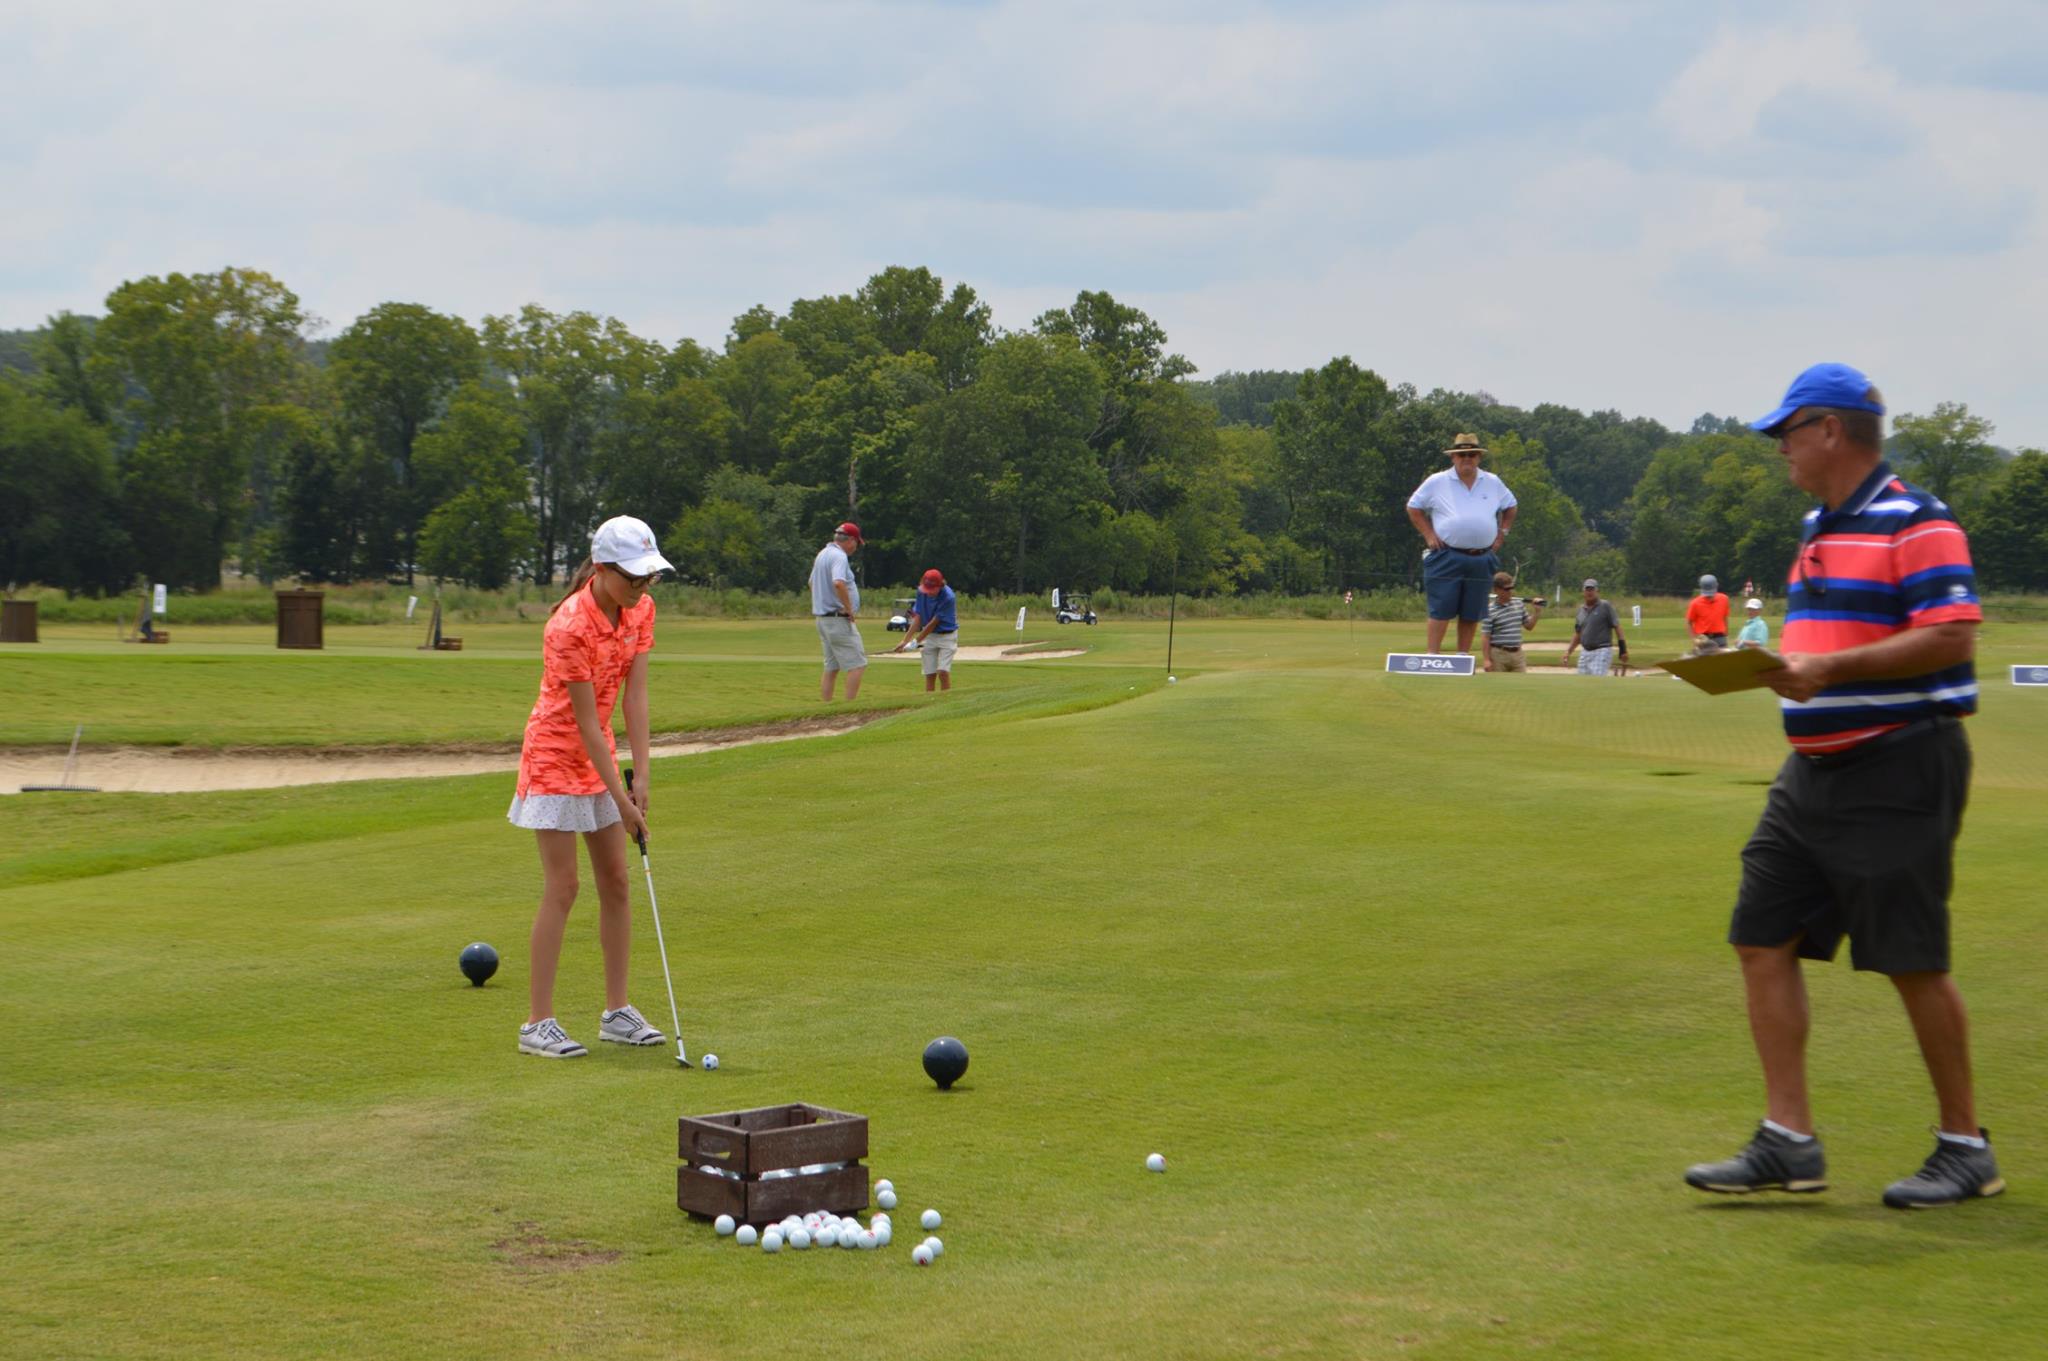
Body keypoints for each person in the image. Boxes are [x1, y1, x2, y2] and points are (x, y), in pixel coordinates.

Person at [1684, 362, 2001, 1209]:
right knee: (1762, 934)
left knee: (1910, 957)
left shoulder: (1918, 519)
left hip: (1900, 760)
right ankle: (1788, 1139)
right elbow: (1828, 634)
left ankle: (1965, 1146)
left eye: (1788, 432)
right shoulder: (1815, 524)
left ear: (1830, 429)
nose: (1779, 448)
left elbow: (1953, 635)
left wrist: (1827, 670)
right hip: (1811, 771)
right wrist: (1785, 667)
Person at [507, 515, 672, 1059]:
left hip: (598, 754)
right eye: (633, 577)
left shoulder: (641, 610)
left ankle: (617, 1012)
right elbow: (582, 724)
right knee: (564, 886)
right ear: (601, 569)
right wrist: (621, 801)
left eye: (648, 577)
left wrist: (642, 773)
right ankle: (538, 1023)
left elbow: (635, 697)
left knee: (617, 881)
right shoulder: (568, 626)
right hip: (554, 758)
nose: (641, 587)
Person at [1406, 434, 1518, 655]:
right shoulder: (1437, 481)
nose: (1467, 458)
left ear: (1478, 457)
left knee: (1471, 610)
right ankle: (1433, 656)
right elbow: (1413, 507)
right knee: (1441, 608)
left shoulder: (1492, 481)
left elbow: (1511, 506)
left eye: (1472, 454)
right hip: (1446, 554)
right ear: (1453, 457)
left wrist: (1502, 534)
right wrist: (1429, 535)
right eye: (1462, 454)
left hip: (1482, 556)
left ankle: (1462, 656)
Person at [811, 522, 867, 701]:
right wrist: (849, 609)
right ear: (850, 540)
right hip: (837, 618)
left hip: (823, 620)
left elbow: (811, 583)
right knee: (857, 665)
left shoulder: (822, 554)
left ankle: (827, 707)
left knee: (831, 667)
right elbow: (838, 583)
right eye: (856, 543)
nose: (855, 548)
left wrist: (823, 599)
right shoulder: (839, 556)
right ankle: (849, 707)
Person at [896, 568, 958, 692]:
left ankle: (946, 701)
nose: (929, 593)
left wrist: (915, 642)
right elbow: (918, 617)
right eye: (927, 589)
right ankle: (930, 701)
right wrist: (905, 641)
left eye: (932, 589)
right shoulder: (921, 592)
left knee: (942, 672)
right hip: (929, 636)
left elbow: (933, 623)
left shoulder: (948, 597)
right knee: (929, 674)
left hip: (947, 636)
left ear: (940, 585)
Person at [1480, 571, 1542, 673]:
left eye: (1511, 588)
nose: (1510, 591)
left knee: (1521, 682)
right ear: (1496, 590)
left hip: (1518, 654)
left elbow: (1529, 626)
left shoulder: (1519, 604)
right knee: (1498, 682)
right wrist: (1486, 660)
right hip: (1498, 655)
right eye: (1507, 589)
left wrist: (1537, 612)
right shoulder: (1490, 610)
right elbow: (1485, 637)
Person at [1562, 579, 1627, 675]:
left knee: (1597, 678)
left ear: (1597, 591)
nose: (1589, 592)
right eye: (1587, 590)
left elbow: (1617, 627)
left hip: (1602, 650)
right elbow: (1578, 633)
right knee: (1582, 681)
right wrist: (1568, 652)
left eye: (1592, 589)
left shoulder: (1605, 606)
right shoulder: (1581, 610)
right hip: (1585, 651)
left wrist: (1623, 649)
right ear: (1583, 592)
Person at [1687, 574, 1732, 653]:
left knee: (1723, 659)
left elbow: (1725, 618)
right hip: (1704, 639)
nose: (1709, 597)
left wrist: (1726, 634)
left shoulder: (1724, 599)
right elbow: (1689, 622)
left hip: (1720, 637)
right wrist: (1694, 639)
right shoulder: (1695, 603)